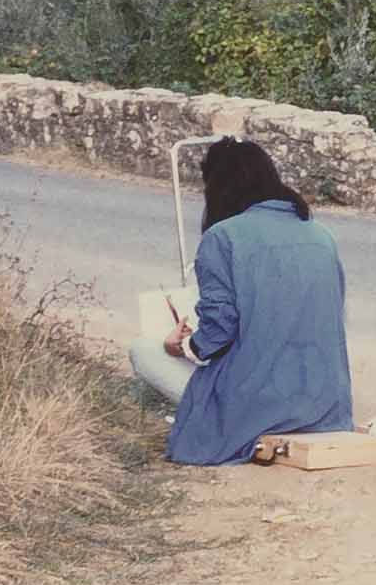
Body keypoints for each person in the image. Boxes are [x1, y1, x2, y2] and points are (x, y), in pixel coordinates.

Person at [134, 137, 354, 467]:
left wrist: (183, 347)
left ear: (218, 187)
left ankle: (233, 428)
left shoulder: (222, 237)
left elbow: (219, 330)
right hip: (326, 403)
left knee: (142, 350)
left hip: (256, 401)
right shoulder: (321, 234)